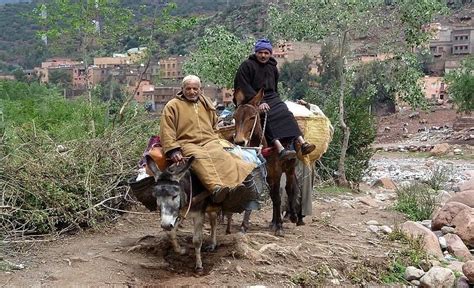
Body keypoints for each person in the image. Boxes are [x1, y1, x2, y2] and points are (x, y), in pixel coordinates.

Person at [160, 75, 256, 207]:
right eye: (188, 88)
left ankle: (235, 187)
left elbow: (214, 125)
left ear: (200, 89)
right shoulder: (172, 106)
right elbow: (167, 130)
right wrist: (173, 150)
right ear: (182, 89)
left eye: (195, 88)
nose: (192, 92)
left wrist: (218, 140)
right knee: (198, 158)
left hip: (209, 140)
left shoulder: (206, 103)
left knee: (223, 156)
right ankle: (216, 189)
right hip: (188, 143)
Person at [234, 38, 316, 160]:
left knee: (285, 112)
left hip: (271, 97)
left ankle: (302, 142)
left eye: (266, 53)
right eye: (260, 52)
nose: (263, 55)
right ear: (256, 52)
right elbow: (243, 85)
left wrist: (276, 99)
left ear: (270, 54)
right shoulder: (247, 66)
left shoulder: (272, 67)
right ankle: (280, 148)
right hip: (251, 99)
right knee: (268, 114)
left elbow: (274, 86)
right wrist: (259, 102)